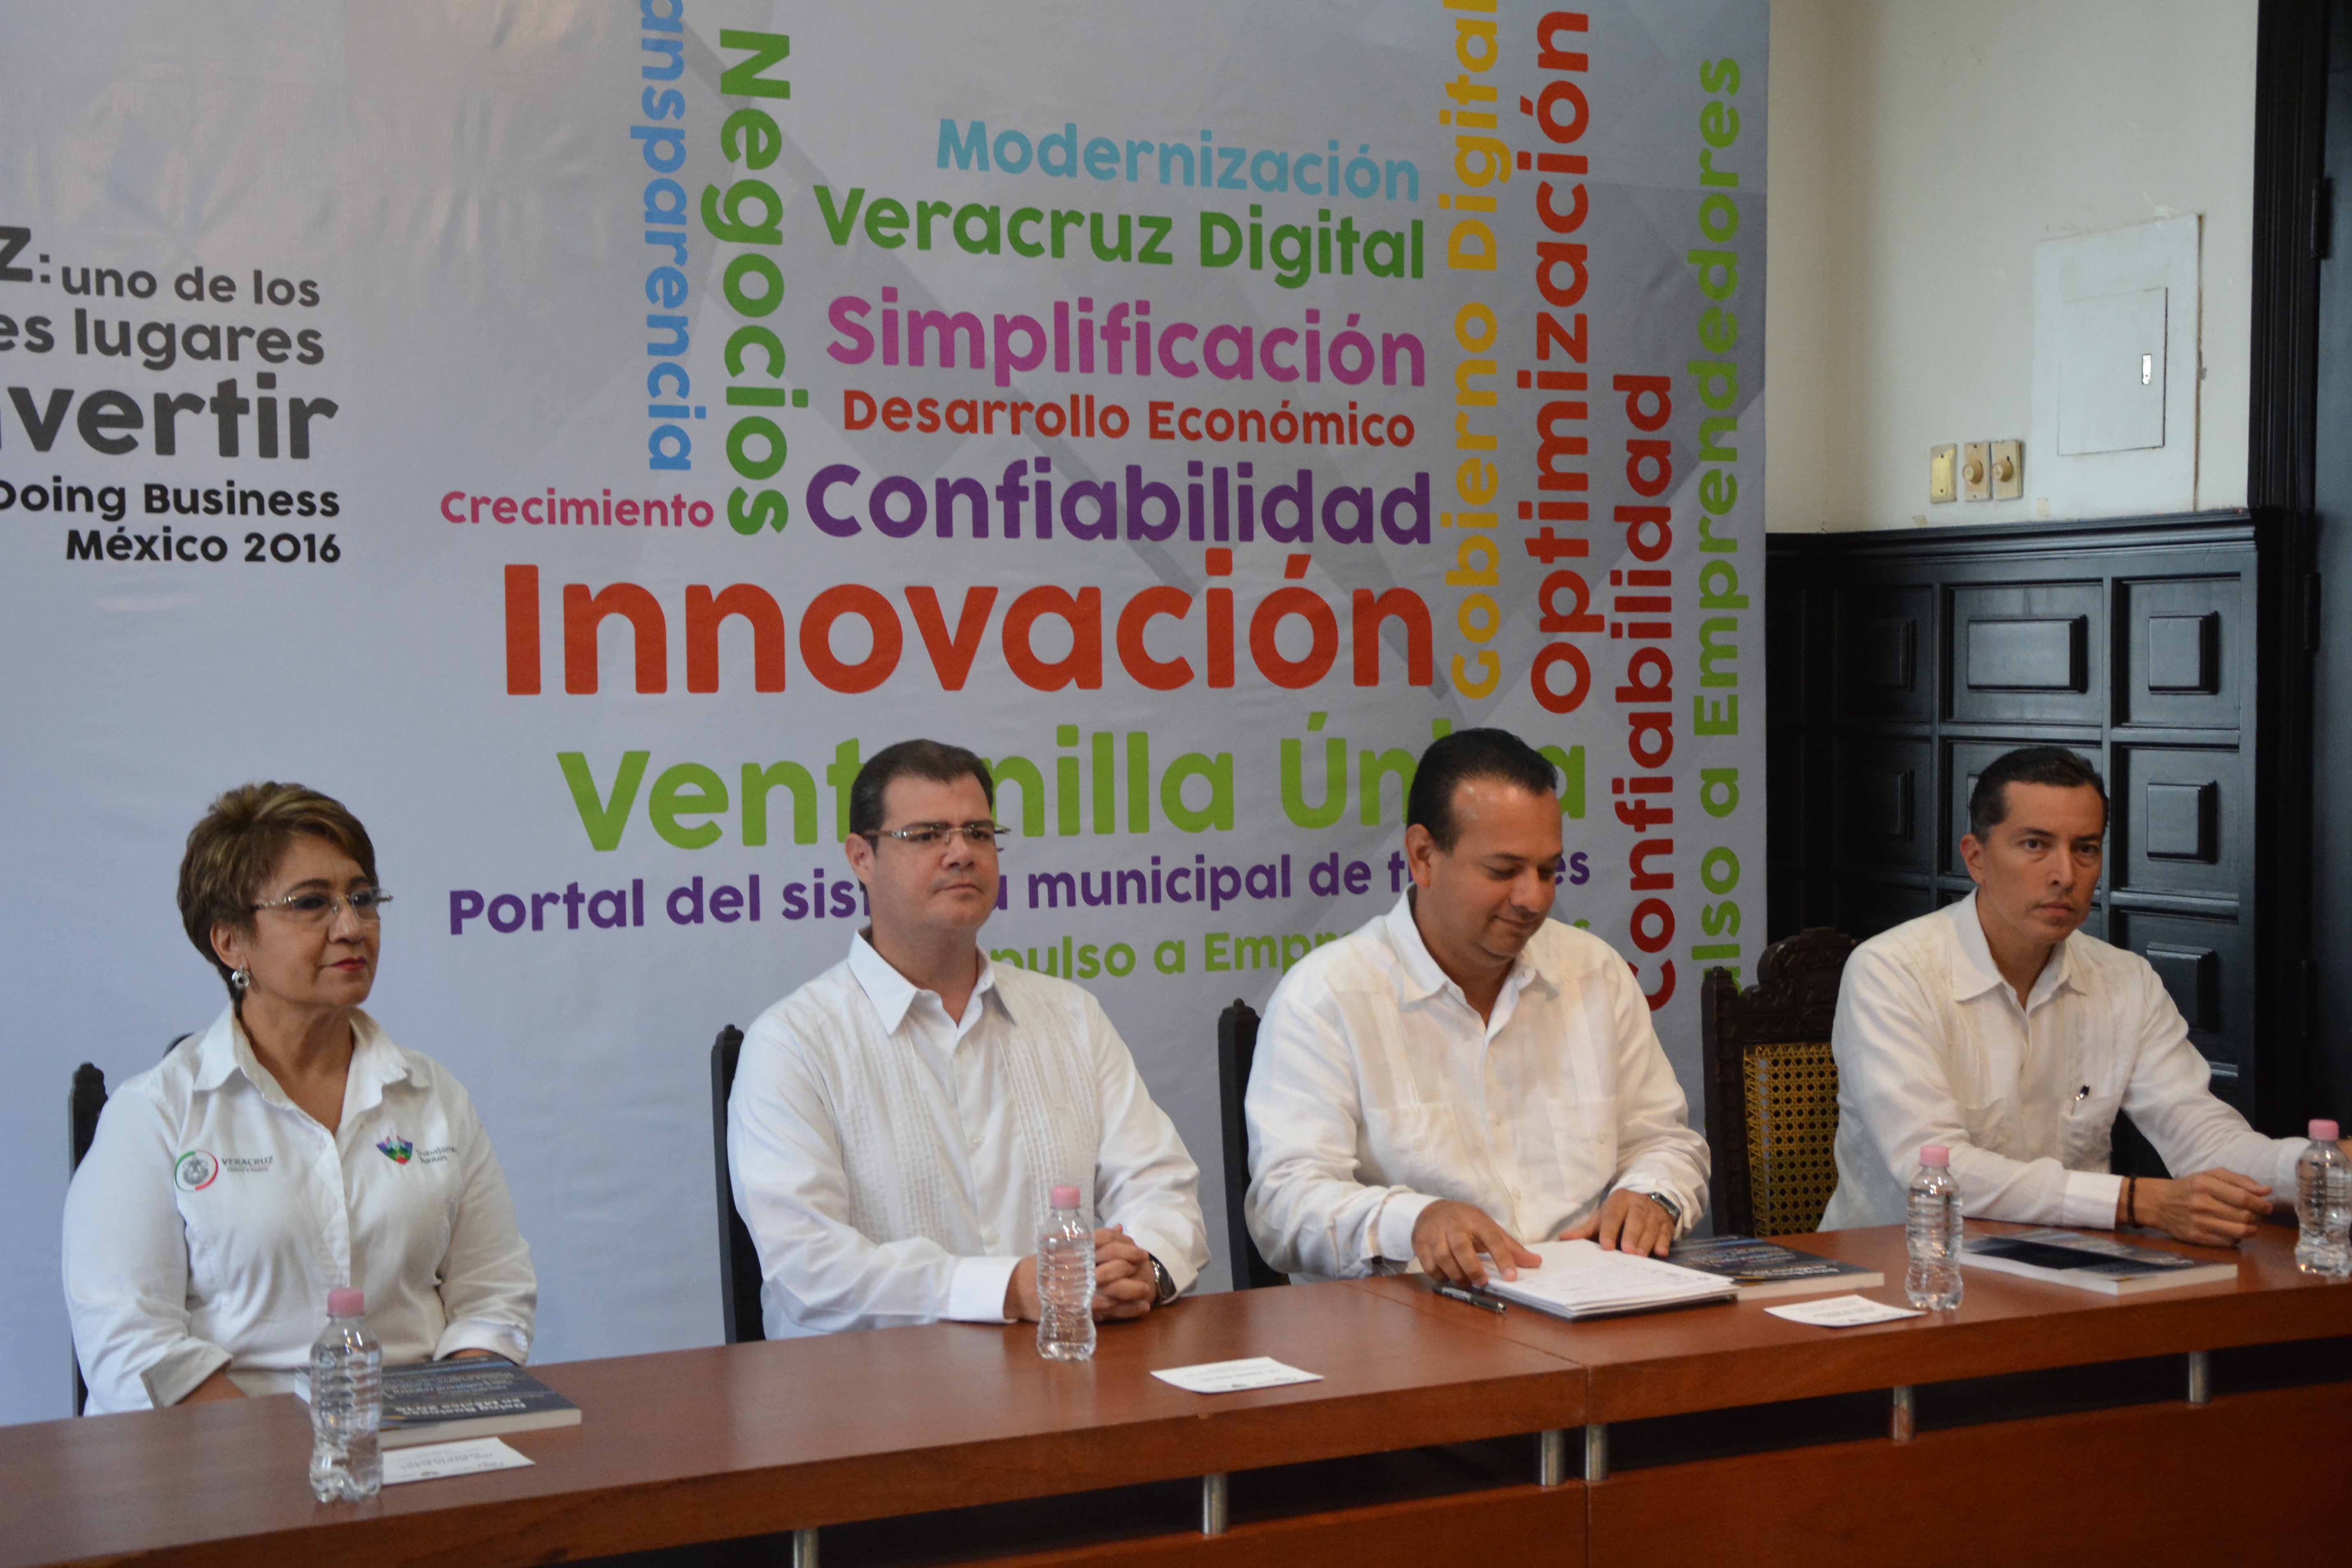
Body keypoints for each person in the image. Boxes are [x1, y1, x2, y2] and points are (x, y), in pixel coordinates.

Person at [64, 783, 535, 1413]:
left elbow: (493, 1294)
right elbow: (131, 1344)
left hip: (417, 1435)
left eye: (362, 898)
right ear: (230, 941)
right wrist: (297, 1450)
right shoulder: (154, 1113)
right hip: (219, 1454)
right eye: (312, 903)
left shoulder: (433, 1095)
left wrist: (452, 1418)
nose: (352, 926)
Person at [727, 739, 1209, 1337]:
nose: (960, 853)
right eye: (927, 834)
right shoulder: (793, 1044)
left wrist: (1144, 1269)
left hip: (1072, 1365)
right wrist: (1011, 1289)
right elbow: (809, 1266)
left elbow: (1160, 1187)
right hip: (870, 1385)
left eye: (978, 832)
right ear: (861, 857)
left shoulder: (1070, 1016)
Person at [1822, 745, 2349, 1240]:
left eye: (2085, 849)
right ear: (1975, 857)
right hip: (1898, 1267)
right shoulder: (1891, 971)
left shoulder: (2124, 980)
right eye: (2035, 845)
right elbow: (1934, 1168)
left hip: (2069, 1270)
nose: (2064, 874)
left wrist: (2322, 1167)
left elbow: (2204, 1141)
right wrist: (2133, 1201)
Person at [1244, 728, 1709, 1285]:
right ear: (1423, 856)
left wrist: (1652, 1194)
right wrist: (1413, 1221)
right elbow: (1284, 1202)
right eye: (1503, 871)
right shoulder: (1327, 996)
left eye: (1546, 870)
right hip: (1410, 1315)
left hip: (1596, 1301)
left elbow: (1663, 1140)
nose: (1533, 898)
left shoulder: (1595, 973)